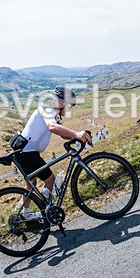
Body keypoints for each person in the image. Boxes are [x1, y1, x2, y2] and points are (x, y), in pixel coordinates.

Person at [14, 85, 92, 219]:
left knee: (30, 186)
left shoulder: (53, 115)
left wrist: (78, 136)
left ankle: (26, 215)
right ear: (62, 102)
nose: (70, 109)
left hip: (26, 152)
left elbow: (62, 134)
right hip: (27, 152)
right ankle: (46, 213)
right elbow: (52, 127)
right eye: (69, 105)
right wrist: (76, 134)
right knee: (50, 180)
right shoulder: (47, 110)